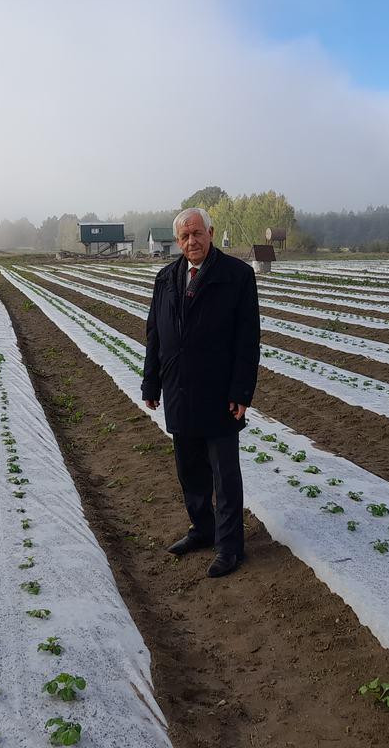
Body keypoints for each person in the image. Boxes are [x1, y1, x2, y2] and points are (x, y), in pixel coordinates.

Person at [141, 207, 261, 578]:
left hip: (219, 391)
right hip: (179, 388)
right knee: (189, 468)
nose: (191, 241)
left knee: (224, 474)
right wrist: (151, 381)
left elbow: (247, 339)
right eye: (184, 237)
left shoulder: (237, 276)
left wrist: (241, 390)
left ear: (211, 232)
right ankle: (202, 529)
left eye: (197, 233)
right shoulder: (166, 278)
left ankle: (230, 546)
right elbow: (155, 335)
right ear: (177, 242)